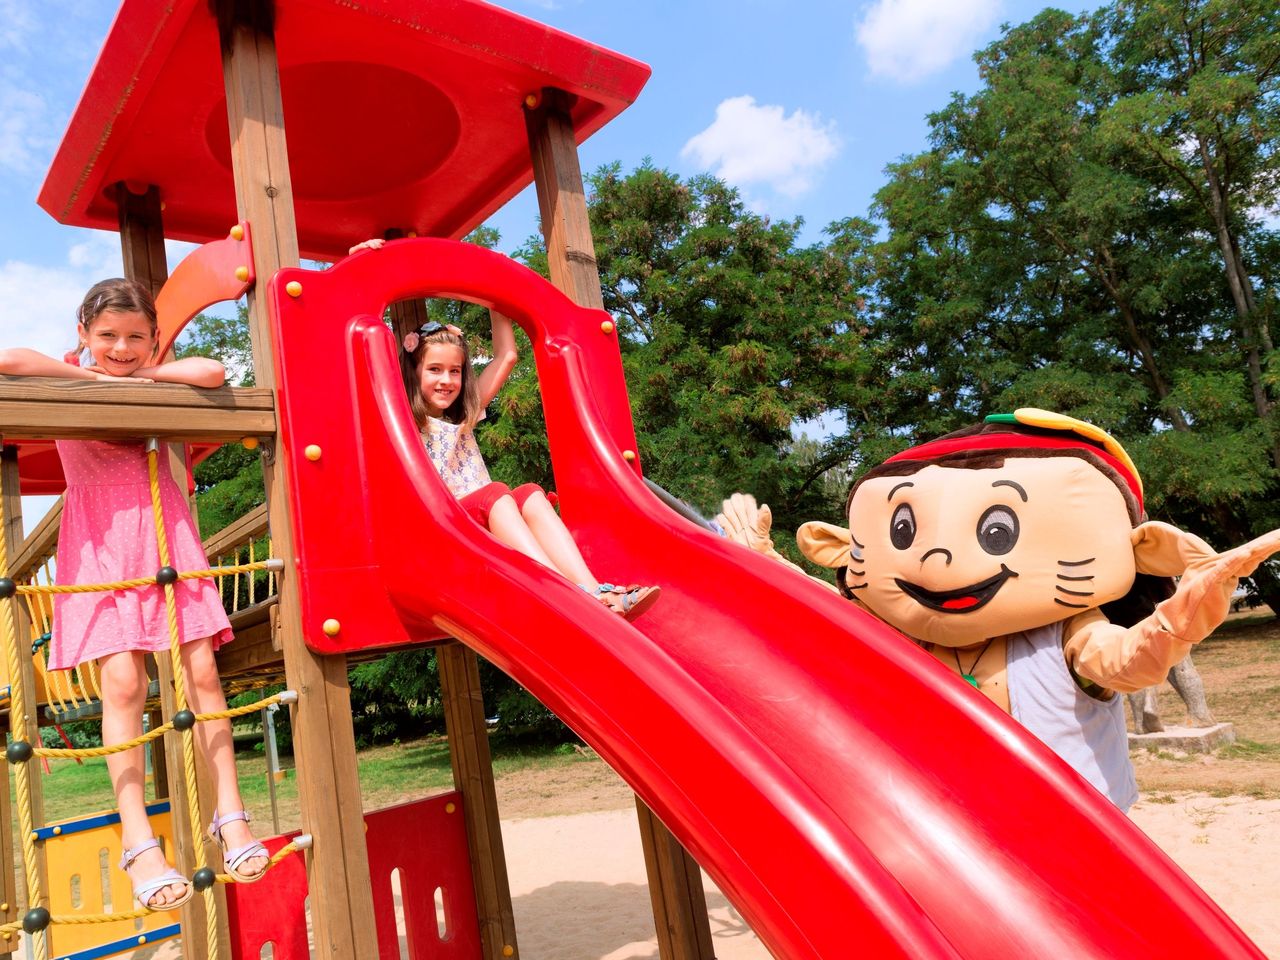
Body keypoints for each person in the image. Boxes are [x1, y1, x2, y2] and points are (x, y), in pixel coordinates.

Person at [718, 410, 1280, 811]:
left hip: (1068, 825)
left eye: (997, 531)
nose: (937, 557)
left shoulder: (1067, 632)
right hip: (942, 819)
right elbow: (820, 616)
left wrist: (1185, 611)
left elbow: (1129, 661)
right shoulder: (901, 633)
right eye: (905, 530)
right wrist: (763, 562)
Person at [0, 278, 269, 909]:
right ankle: (138, 841)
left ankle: (229, 814)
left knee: (203, 674)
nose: (121, 348)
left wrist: (146, 376)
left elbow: (215, 369)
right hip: (100, 547)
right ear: (83, 335)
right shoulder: (68, 376)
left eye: (135, 338)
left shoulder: (162, 377)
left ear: (154, 339)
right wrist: (99, 379)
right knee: (123, 685)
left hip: (167, 542)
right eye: (107, 337)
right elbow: (8, 361)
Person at [386, 280, 659, 619]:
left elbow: (507, 355)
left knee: (530, 494)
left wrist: (495, 293)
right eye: (434, 370)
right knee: (496, 494)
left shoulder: (464, 418)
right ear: (412, 374)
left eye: (454, 371)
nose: (446, 380)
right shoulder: (401, 419)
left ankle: (593, 590)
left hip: (483, 522)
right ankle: (562, 592)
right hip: (446, 532)